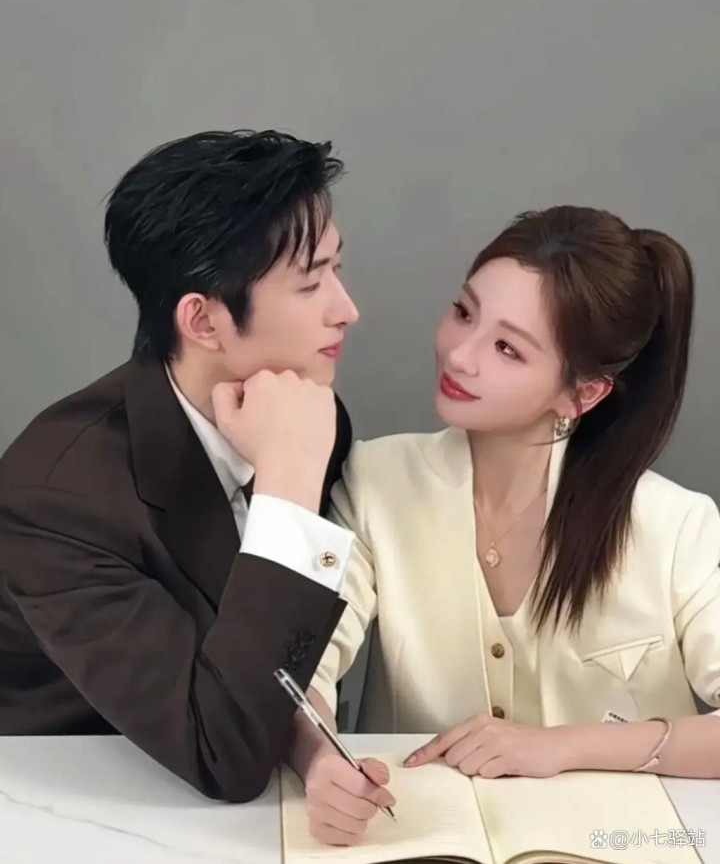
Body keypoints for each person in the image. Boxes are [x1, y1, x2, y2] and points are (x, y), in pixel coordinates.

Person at [289, 205, 720, 846]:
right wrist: (320, 762)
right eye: (464, 313)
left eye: (507, 349)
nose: (460, 355)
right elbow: (304, 667)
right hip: (424, 843)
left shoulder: (674, 525)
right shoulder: (377, 482)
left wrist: (561, 747)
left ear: (583, 394)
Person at [0, 129, 360, 802]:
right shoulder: (55, 500)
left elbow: (268, 665)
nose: (347, 310)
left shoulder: (306, 412)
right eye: (312, 282)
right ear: (203, 321)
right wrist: (289, 483)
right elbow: (225, 756)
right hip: (61, 800)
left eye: (337, 269)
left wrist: (313, 746)